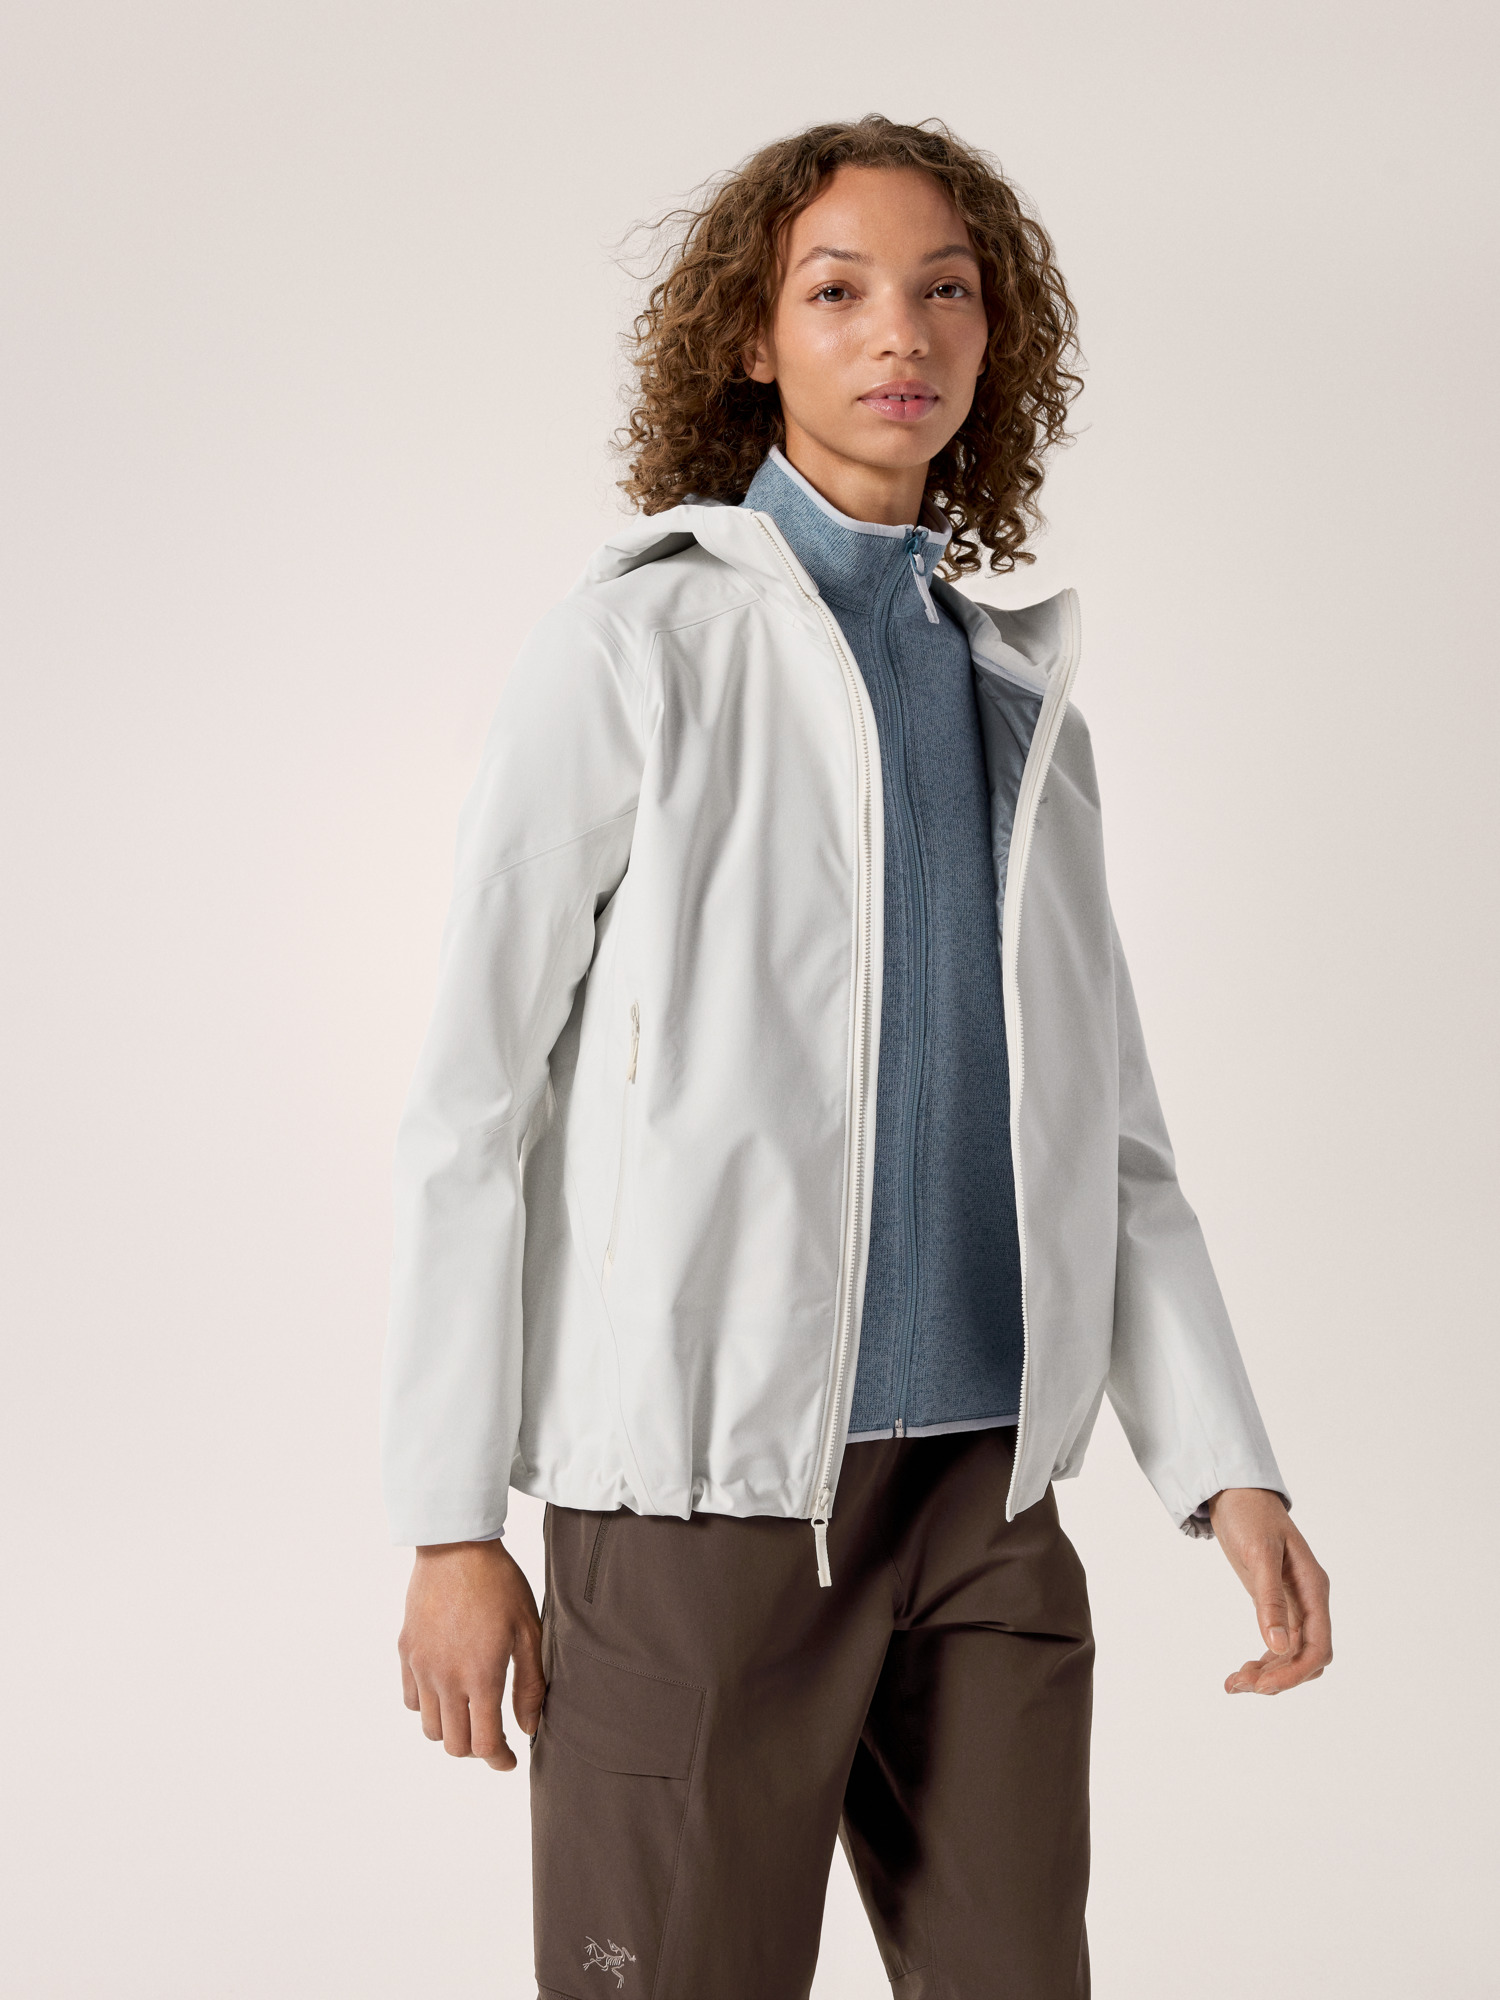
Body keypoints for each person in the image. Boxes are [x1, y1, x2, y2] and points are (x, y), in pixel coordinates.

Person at [382, 114, 1332, 1999]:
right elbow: (470, 1105)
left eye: (945, 290)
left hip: (987, 1509)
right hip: (700, 1506)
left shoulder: (1018, 702)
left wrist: (1227, 1467)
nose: (900, 330)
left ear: (993, 339)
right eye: (838, 290)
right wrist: (448, 1524)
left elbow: (1110, 1140)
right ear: (753, 337)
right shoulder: (636, 650)